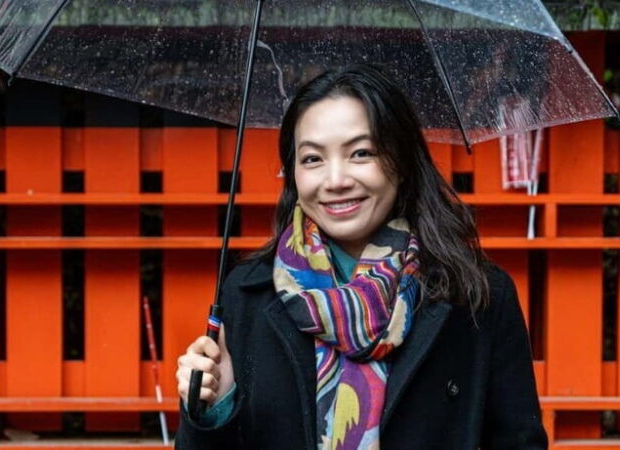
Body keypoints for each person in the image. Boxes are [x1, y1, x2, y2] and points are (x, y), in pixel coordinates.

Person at [174, 64, 547, 449]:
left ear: (401, 163)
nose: (336, 180)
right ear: (293, 173)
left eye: (361, 153)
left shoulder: (476, 296)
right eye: (313, 159)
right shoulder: (247, 294)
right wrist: (213, 409)